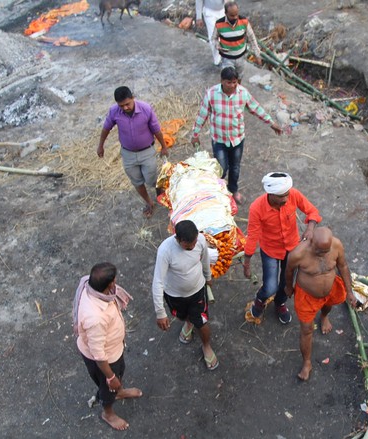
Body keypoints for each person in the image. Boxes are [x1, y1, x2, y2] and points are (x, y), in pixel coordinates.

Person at [190, 67, 282, 204]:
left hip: (237, 139)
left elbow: (256, 108)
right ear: (222, 81)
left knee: (235, 167)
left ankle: (233, 190)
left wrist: (271, 122)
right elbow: (202, 114)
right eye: (229, 82)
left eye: (235, 82)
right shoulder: (211, 94)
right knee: (221, 168)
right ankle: (219, 192)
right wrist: (195, 133)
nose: (232, 86)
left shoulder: (243, 93)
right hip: (219, 139)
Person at [243, 172, 321, 325]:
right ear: (270, 194)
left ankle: (280, 303)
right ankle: (260, 298)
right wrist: (247, 262)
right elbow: (252, 235)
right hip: (270, 250)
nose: (286, 198)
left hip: (292, 248)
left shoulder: (293, 194)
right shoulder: (256, 208)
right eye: (281, 196)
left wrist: (310, 228)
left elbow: (312, 211)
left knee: (286, 283)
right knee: (270, 286)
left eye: (287, 195)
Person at [73, 262, 142, 431]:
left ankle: (119, 391)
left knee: (120, 373)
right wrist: (110, 377)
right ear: (111, 284)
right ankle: (108, 413)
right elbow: (99, 355)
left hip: (114, 350)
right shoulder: (95, 318)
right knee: (107, 388)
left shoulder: (87, 284)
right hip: (105, 360)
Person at [284, 227, 358, 381]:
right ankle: (307, 362)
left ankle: (324, 316)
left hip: (330, 290)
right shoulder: (298, 254)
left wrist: (349, 291)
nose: (322, 254)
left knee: (328, 306)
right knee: (306, 329)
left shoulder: (336, 245)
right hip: (306, 296)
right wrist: (289, 287)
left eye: (326, 251)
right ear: (311, 241)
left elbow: (343, 266)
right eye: (319, 251)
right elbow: (289, 271)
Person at [152, 220, 218, 370]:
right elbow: (158, 282)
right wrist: (160, 312)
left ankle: (206, 346)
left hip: (197, 292)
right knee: (182, 316)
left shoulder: (200, 239)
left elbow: (205, 258)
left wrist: (208, 277)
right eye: (189, 246)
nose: (193, 247)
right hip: (175, 295)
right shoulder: (165, 251)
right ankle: (188, 322)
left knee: (202, 323)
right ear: (178, 239)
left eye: (195, 243)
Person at [97, 86, 169, 218]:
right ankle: (149, 203)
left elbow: (156, 130)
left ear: (133, 98)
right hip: (128, 154)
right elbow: (106, 128)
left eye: (127, 104)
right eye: (121, 105)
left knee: (152, 179)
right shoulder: (114, 112)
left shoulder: (146, 109)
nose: (125, 108)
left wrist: (164, 147)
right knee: (137, 182)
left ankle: (160, 194)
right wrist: (101, 145)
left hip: (147, 152)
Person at [211, 1, 262, 82]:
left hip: (241, 57)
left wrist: (257, 55)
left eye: (236, 14)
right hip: (227, 58)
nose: (235, 17)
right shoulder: (219, 24)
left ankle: (237, 92)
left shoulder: (244, 21)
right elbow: (213, 38)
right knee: (227, 78)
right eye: (232, 15)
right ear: (225, 13)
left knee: (239, 77)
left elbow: (252, 38)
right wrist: (218, 46)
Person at [196, 0, 226, 66]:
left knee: (224, 35)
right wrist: (198, 17)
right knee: (213, 36)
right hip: (209, 12)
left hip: (223, 10)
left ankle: (226, 57)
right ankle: (217, 60)